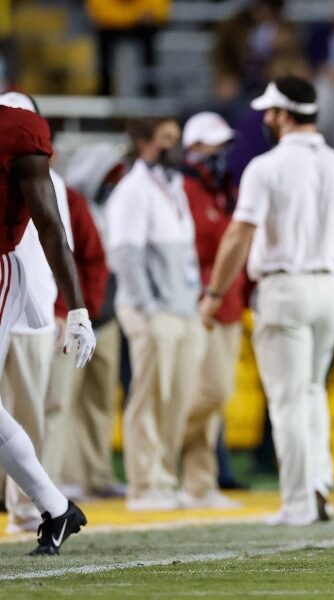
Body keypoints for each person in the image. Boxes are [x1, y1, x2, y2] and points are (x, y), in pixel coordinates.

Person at [199, 76, 334, 526]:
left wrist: (215, 293)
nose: (265, 118)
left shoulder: (267, 167)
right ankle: (318, 481)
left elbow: (240, 233)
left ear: (282, 114)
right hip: (332, 290)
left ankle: (299, 500)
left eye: (270, 111)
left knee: (287, 400)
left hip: (285, 287)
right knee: (313, 389)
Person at [0, 100, 96, 555]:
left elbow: (51, 226)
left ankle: (55, 507)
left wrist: (76, 308)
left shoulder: (17, 130)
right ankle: (57, 508)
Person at [106, 116, 206, 511]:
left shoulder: (174, 185)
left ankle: (166, 476)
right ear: (145, 142)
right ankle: (143, 484)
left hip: (182, 305)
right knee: (149, 396)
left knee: (177, 397)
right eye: (167, 139)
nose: (175, 146)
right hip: (152, 309)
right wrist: (147, 308)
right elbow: (125, 255)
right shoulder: (132, 190)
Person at [179, 112, 244, 510]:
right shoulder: (184, 190)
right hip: (198, 302)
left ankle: (199, 484)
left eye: (223, 145)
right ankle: (160, 446)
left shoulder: (224, 192)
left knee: (215, 401)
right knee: (211, 391)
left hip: (229, 303)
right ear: (193, 149)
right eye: (211, 145)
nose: (219, 153)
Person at [59, 141, 128, 500]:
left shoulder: (109, 208)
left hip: (108, 315)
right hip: (77, 314)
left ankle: (97, 474)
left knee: (101, 401)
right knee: (64, 399)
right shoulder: (68, 204)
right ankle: (66, 477)